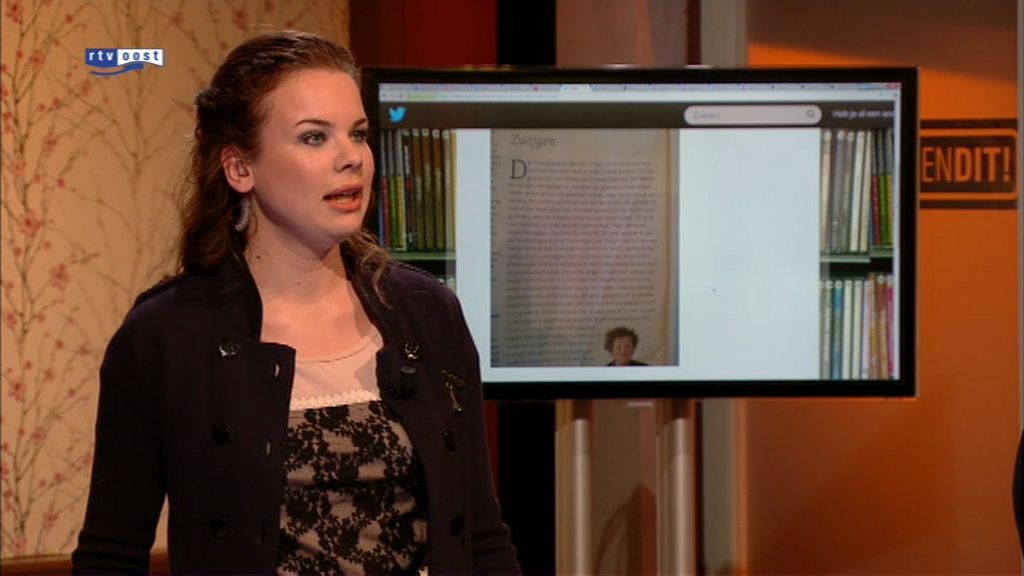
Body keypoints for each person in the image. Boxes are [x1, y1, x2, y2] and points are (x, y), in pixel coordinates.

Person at [71, 30, 520, 575]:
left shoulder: (428, 311)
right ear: (240, 168)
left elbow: (483, 536)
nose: (351, 158)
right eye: (314, 137)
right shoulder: (166, 334)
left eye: (358, 134)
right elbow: (111, 555)